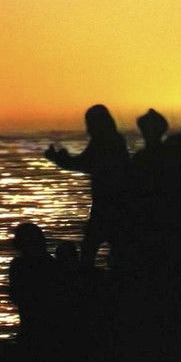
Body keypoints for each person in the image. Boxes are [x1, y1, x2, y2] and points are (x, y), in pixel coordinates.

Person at [45, 104, 129, 268]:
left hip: (109, 206)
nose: (88, 129)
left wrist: (59, 159)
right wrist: (62, 159)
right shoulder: (112, 140)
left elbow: (85, 163)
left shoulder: (106, 142)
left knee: (91, 248)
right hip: (111, 205)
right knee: (109, 247)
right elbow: (84, 162)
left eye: (90, 124)